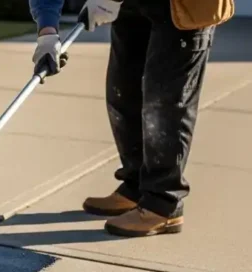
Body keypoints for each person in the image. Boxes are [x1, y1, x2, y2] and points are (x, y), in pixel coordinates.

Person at [28, 0, 227, 237]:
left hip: (183, 6)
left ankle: (163, 203)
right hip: (132, 5)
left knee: (162, 106)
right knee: (123, 93)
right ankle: (136, 187)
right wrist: (47, 32)